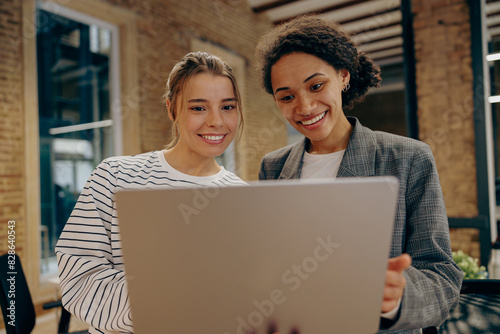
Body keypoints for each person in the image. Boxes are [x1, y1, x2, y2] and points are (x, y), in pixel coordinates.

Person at [255, 16, 463, 333]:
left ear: (342, 77)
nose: (305, 106)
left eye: (316, 85)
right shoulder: (273, 167)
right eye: (287, 96)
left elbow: (441, 275)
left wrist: (396, 298)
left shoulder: (407, 158)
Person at [55, 51, 247, 334]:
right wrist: (173, 305)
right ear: (171, 109)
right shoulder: (115, 176)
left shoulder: (243, 199)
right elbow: (79, 281)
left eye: (228, 107)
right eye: (198, 108)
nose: (217, 121)